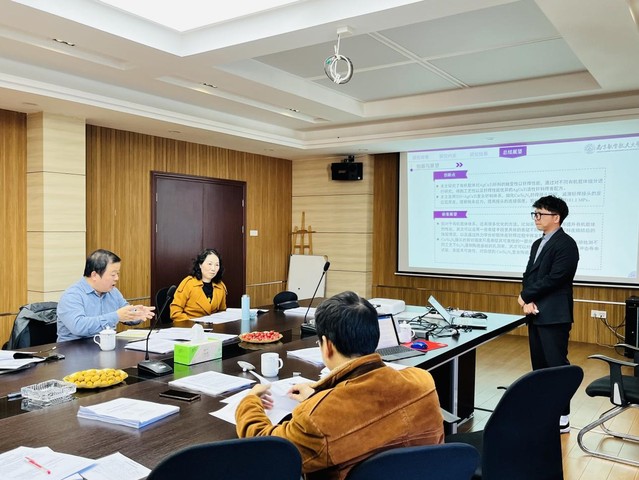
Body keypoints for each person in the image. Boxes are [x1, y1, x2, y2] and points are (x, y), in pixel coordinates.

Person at [235, 291, 444, 480]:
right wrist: (318, 394)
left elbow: (269, 451)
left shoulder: (318, 418)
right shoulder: (422, 381)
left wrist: (249, 401)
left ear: (327, 345)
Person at [518, 195, 579, 433]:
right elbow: (529, 275)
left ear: (556, 217)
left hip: (554, 314)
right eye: (535, 213)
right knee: (540, 367)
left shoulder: (566, 244)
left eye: (540, 214)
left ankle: (562, 417)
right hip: (535, 312)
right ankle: (544, 411)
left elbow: (556, 278)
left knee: (556, 367)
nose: (536, 218)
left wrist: (526, 296)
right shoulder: (537, 243)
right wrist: (527, 298)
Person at [57, 249, 155, 342]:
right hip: (74, 350)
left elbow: (125, 313)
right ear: (94, 275)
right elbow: (79, 327)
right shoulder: (72, 295)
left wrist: (137, 314)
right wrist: (116, 316)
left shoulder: (113, 292)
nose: (117, 278)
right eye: (113, 274)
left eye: (117, 274)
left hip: (107, 346)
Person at [170, 248, 227, 322]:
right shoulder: (188, 283)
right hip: (190, 326)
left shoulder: (220, 286)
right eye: (209, 264)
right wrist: (195, 324)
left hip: (213, 327)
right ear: (200, 264)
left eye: (217, 265)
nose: (213, 268)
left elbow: (222, 313)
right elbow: (175, 313)